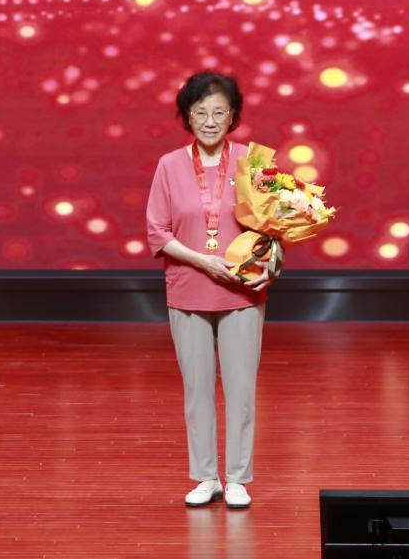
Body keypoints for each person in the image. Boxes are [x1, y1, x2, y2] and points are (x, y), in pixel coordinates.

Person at [146, 71, 273, 510]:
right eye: (201, 113)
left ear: (233, 116)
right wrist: (203, 261)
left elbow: (275, 229)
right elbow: (158, 232)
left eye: (219, 112)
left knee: (241, 389)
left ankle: (237, 477)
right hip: (188, 289)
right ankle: (205, 476)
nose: (210, 121)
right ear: (187, 116)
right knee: (196, 390)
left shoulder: (254, 162)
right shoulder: (169, 165)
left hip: (242, 291)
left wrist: (269, 264)